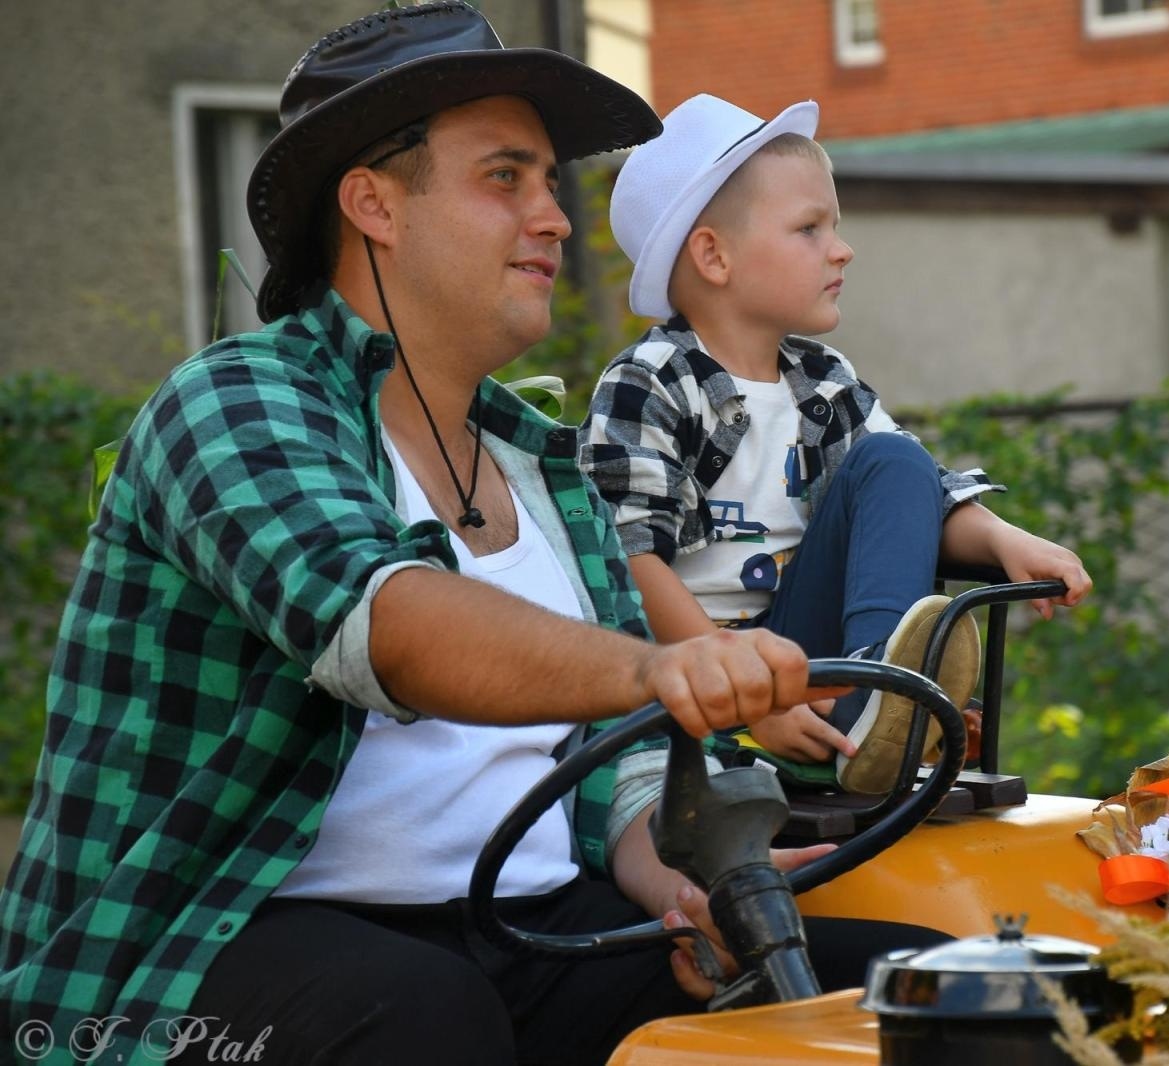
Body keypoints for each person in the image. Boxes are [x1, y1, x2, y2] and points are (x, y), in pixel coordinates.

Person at [0, 8, 938, 1065]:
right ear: (373, 205)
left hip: (515, 931)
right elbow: (383, 624)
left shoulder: (548, 468)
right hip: (205, 948)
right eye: (506, 178)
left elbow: (617, 768)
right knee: (424, 1013)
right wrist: (664, 663)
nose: (554, 219)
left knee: (918, 986)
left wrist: (674, 890)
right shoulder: (234, 401)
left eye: (550, 183)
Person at [583, 95, 1094, 795]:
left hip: (808, 662)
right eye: (809, 228)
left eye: (836, 226)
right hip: (695, 681)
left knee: (895, 460)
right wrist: (748, 692)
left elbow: (915, 492)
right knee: (644, 566)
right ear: (714, 255)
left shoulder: (820, 379)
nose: (841, 247)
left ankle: (877, 693)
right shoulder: (653, 383)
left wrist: (1002, 540)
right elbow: (627, 559)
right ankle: (882, 706)